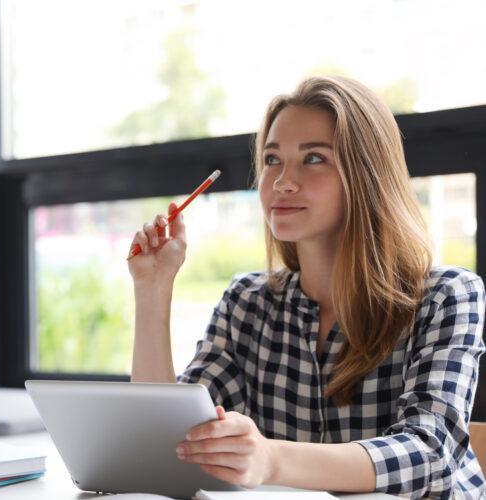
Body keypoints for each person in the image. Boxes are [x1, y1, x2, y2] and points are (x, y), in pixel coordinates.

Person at [127, 76, 485, 499]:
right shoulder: (248, 302)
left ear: (366, 175)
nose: (281, 181)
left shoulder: (447, 296)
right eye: (272, 159)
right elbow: (169, 441)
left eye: (313, 158)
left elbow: (428, 451)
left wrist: (272, 459)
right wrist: (152, 289)